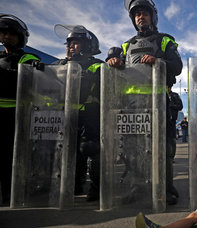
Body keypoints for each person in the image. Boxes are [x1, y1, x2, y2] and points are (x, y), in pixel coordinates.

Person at [108, 0, 183, 205]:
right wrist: (113, 62)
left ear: (153, 16)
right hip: (132, 105)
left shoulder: (164, 40)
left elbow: (177, 66)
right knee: (133, 148)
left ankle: (166, 189)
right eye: (137, 14)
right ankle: (137, 186)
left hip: (158, 102)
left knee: (163, 147)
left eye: (144, 13)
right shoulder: (126, 44)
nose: (140, 17)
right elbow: (119, 70)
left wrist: (158, 62)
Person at [53, 24, 104, 201]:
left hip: (91, 113)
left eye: (75, 43)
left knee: (90, 148)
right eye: (69, 43)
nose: (70, 46)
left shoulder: (97, 65)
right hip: (66, 115)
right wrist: (40, 69)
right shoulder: (60, 65)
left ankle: (97, 189)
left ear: (88, 45)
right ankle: (73, 185)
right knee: (69, 149)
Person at [0, 14, 41, 205]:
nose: (7, 37)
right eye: (4, 33)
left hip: (17, 113)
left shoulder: (28, 57)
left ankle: (13, 193)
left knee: (14, 156)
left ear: (20, 37)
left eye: (11, 34)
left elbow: (24, 80)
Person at [166, 85, 183, 203]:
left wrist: (170, 105)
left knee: (171, 142)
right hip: (162, 120)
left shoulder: (174, 95)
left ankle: (171, 157)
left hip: (171, 123)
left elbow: (180, 106)